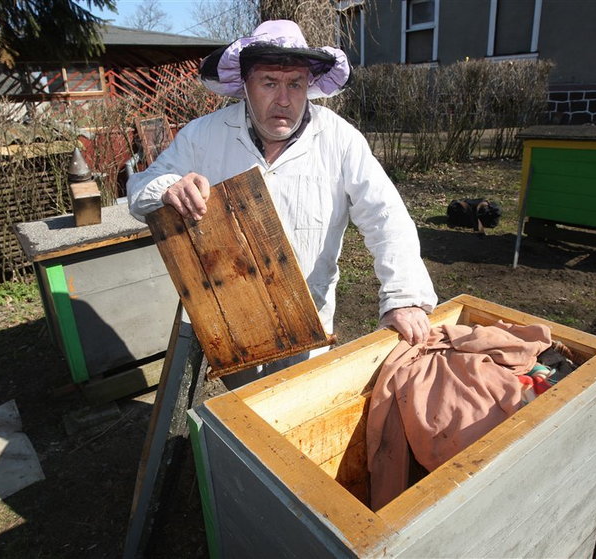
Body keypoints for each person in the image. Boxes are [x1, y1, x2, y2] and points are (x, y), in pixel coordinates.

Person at [128, 19, 437, 386]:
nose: (284, 99)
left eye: (295, 84)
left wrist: (403, 296)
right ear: (245, 85)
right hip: (230, 317)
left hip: (309, 320)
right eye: (270, 83)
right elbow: (139, 190)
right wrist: (168, 188)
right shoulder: (203, 136)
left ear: (309, 85)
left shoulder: (339, 139)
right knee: (243, 416)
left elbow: (386, 216)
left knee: (296, 410)